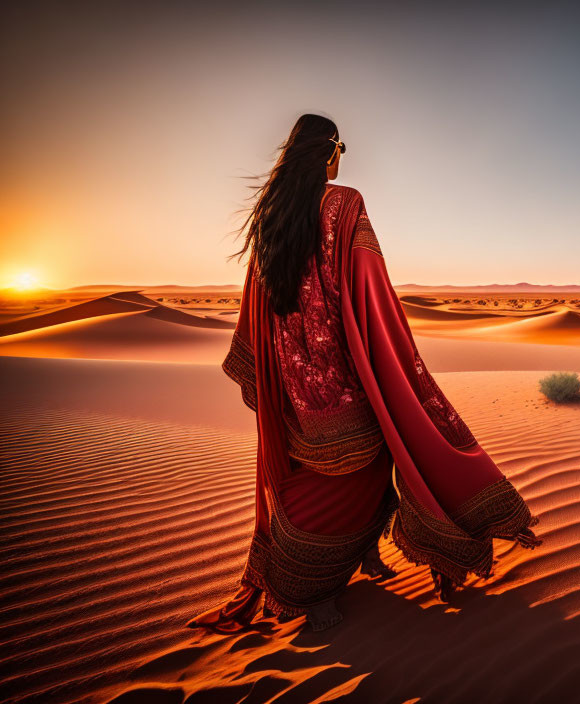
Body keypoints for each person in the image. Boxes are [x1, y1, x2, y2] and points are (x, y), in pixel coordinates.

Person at [187, 113, 541, 633]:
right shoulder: (343, 203)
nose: (340, 161)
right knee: (389, 459)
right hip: (347, 388)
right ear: (328, 152)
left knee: (323, 476)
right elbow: (370, 289)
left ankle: (333, 569)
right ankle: (314, 586)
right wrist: (392, 356)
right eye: (341, 149)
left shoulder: (271, 216)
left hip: (293, 396)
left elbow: (256, 305)